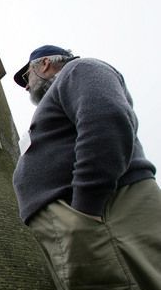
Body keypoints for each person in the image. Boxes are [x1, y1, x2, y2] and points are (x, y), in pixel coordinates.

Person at [12, 45, 161, 289]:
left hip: (104, 215)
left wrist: (85, 211)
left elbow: (106, 119)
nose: (26, 86)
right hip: (88, 223)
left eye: (27, 76)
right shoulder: (62, 93)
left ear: (45, 64)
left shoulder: (80, 69)